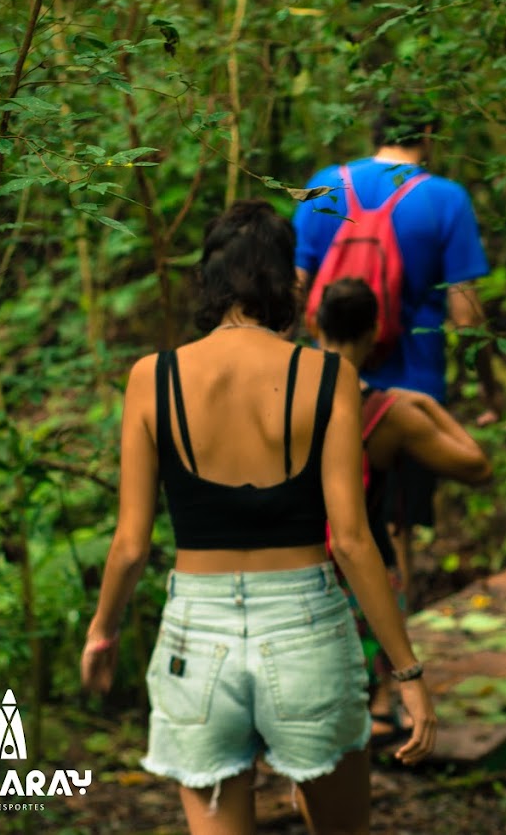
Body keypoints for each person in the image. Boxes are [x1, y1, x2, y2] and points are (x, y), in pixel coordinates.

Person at [80, 200, 436, 835]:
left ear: (208, 279)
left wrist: (102, 632)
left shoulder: (151, 378)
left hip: (196, 634)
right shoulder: (330, 376)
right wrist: (406, 672)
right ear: (287, 283)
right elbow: (352, 542)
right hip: (306, 632)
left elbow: (131, 543)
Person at [293, 94, 502, 601]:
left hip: (328, 384)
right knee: (395, 522)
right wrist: (485, 386)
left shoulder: (326, 183)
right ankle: (397, 646)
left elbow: (295, 286)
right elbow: (466, 314)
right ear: (428, 135)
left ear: (375, 132)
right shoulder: (446, 198)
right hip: (412, 388)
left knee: (326, 512)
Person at [314, 277, 492, 745]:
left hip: (299, 564)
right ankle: (381, 705)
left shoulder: (288, 391)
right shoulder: (385, 411)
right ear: (375, 331)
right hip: (365, 557)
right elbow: (476, 465)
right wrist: (430, 407)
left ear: (315, 323)